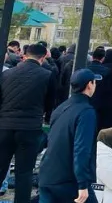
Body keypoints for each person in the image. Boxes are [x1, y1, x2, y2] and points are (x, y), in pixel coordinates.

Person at [0, 42, 56, 203]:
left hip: (4, 127)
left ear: (24, 55)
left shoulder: (7, 74)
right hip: (30, 128)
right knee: (24, 172)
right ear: (44, 56)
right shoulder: (47, 74)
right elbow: (50, 102)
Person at [38, 69, 98, 203]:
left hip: (48, 174)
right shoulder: (86, 112)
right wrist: (82, 184)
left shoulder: (61, 108)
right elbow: (82, 149)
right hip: (68, 179)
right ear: (89, 84)